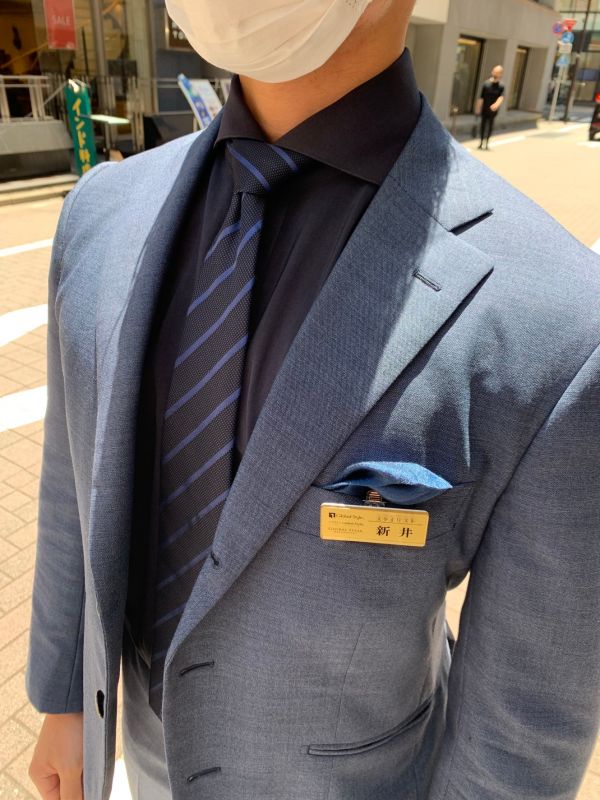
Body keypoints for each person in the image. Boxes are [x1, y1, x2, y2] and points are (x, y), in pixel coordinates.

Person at [26, 2, 600, 799]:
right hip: (142, 759)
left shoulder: (559, 318)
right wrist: (63, 699)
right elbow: (73, 481)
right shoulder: (102, 214)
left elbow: (521, 729)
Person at [476, 65, 505, 149]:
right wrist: (478, 108)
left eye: (498, 72)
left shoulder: (501, 86)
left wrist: (496, 105)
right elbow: (481, 97)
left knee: (490, 126)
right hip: (484, 108)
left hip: (493, 110)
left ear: (500, 74)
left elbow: (501, 97)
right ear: (492, 72)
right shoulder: (486, 83)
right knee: (483, 125)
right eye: (495, 72)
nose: (496, 73)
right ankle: (481, 142)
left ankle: (487, 143)